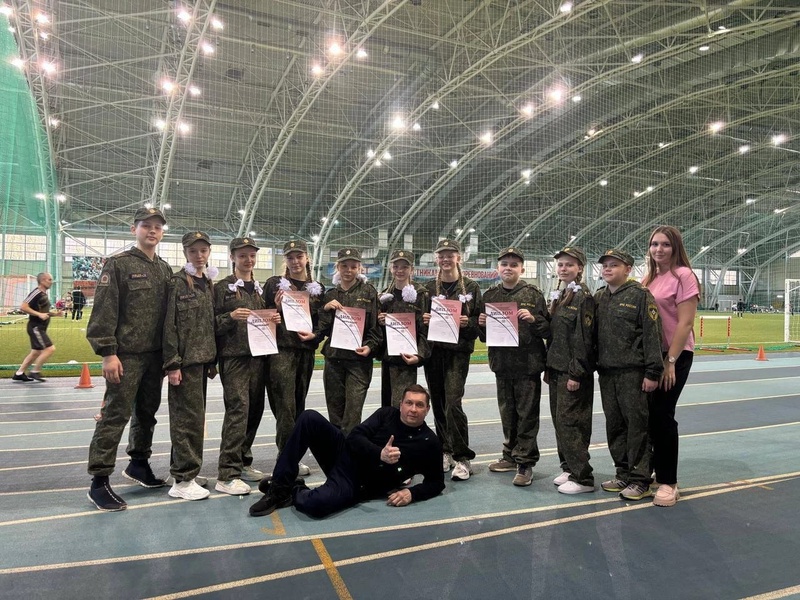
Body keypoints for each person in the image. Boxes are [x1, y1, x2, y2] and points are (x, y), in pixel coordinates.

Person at [85, 207, 173, 512]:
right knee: (115, 414)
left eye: (157, 227)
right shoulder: (119, 264)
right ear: (134, 228)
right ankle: (99, 480)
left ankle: (139, 464)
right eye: (146, 225)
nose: (152, 231)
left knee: (147, 414)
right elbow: (104, 311)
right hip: (125, 356)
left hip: (154, 357)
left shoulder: (164, 268)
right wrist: (108, 353)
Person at [249, 384, 444, 519]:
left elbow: (436, 483)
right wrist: (379, 453)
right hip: (345, 455)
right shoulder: (386, 414)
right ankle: (279, 488)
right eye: (409, 403)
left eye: (419, 405)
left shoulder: (429, 442)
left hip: (357, 483)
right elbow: (354, 437)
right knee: (309, 418)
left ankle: (294, 490)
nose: (413, 409)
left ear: (427, 409)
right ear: (401, 404)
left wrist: (412, 494)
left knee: (316, 506)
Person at [594, 249, 663, 501]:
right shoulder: (599, 297)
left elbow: (652, 335)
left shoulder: (640, 296)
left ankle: (641, 478)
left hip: (633, 374)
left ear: (628, 269)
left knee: (637, 427)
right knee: (615, 426)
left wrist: (653, 371)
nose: (608, 269)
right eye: (605, 265)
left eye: (614, 265)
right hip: (607, 373)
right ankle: (623, 472)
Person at [479, 247, 550, 487]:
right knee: (507, 414)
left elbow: (548, 329)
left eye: (513, 264)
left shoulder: (533, 295)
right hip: (502, 364)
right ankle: (510, 455)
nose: (508, 268)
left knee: (527, 415)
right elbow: (482, 335)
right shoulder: (489, 295)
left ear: (521, 268)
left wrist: (534, 319)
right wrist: (481, 324)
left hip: (527, 366)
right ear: (498, 268)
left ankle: (526, 463)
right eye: (504, 264)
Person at [642, 226, 700, 507]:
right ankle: (650, 469)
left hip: (675, 355)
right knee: (650, 416)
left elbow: (685, 322)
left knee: (663, 415)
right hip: (652, 356)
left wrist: (670, 362)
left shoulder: (684, 276)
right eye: (654, 244)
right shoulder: (649, 278)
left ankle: (669, 482)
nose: (659, 249)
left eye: (665, 244)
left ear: (676, 247)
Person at [162, 231, 219, 501]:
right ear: (185, 252)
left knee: (195, 420)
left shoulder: (206, 282)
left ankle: (188, 472)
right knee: (186, 421)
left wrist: (211, 360)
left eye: (203, 251)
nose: (199, 255)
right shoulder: (177, 283)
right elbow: (169, 326)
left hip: (201, 362)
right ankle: (183, 479)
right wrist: (172, 364)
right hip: (184, 365)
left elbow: (206, 325)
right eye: (194, 251)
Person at [298, 248, 379, 434]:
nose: (348, 270)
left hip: (358, 362)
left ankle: (349, 458)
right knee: (335, 414)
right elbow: (322, 328)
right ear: (338, 267)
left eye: (353, 266)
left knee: (352, 414)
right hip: (334, 360)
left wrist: (370, 347)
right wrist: (324, 310)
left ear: (360, 268)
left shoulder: (369, 293)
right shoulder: (330, 294)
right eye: (344, 266)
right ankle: (336, 456)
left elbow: (375, 329)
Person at [214, 237, 271, 495]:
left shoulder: (259, 289)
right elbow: (209, 323)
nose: (248, 260)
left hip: (258, 358)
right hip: (234, 358)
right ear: (232, 257)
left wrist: (274, 320)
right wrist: (230, 316)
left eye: (252, 255)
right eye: (242, 255)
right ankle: (227, 473)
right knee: (238, 410)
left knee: (254, 410)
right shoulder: (221, 288)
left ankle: (243, 461)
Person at [262, 240, 325, 476]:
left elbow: (322, 324)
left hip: (305, 354)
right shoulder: (273, 285)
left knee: (298, 406)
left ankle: (293, 457)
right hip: (281, 353)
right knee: (285, 407)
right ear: (285, 260)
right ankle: (285, 458)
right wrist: (275, 308)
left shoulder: (316, 289)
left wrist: (315, 335)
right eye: (290, 257)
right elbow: (260, 319)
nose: (295, 261)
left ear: (307, 258)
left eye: (299, 256)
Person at [422, 239, 481, 481]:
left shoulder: (472, 288)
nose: (446, 259)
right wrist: (423, 320)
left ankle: (462, 455)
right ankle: (445, 449)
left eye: (450, 255)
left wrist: (470, 324)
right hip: (434, 353)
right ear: (437, 259)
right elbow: (418, 323)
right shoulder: (427, 288)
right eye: (441, 255)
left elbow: (481, 322)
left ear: (459, 257)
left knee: (453, 403)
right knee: (437, 401)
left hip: (457, 353)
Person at [546, 247, 596, 494]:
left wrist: (577, 373)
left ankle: (583, 477)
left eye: (569, 265)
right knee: (560, 423)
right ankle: (568, 467)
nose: (563, 268)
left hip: (572, 372)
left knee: (572, 423)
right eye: (560, 265)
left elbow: (584, 339)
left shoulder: (583, 297)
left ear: (580, 268)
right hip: (556, 369)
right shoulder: (560, 294)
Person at [372, 249, 430, 408]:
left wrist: (420, 356)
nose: (400, 270)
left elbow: (426, 330)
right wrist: (380, 322)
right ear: (391, 268)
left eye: (404, 267)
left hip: (407, 360)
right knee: (387, 406)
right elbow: (377, 332)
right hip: (388, 359)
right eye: (396, 266)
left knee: (403, 406)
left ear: (412, 269)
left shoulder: (421, 295)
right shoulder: (384, 296)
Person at [12, 272, 58, 383]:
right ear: (42, 280)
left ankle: (19, 373)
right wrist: (39, 315)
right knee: (50, 349)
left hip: (40, 327)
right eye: (49, 280)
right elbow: (23, 306)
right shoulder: (36, 293)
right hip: (35, 327)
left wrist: (55, 314)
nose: (51, 282)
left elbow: (43, 312)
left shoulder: (43, 294)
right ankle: (35, 371)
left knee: (36, 352)